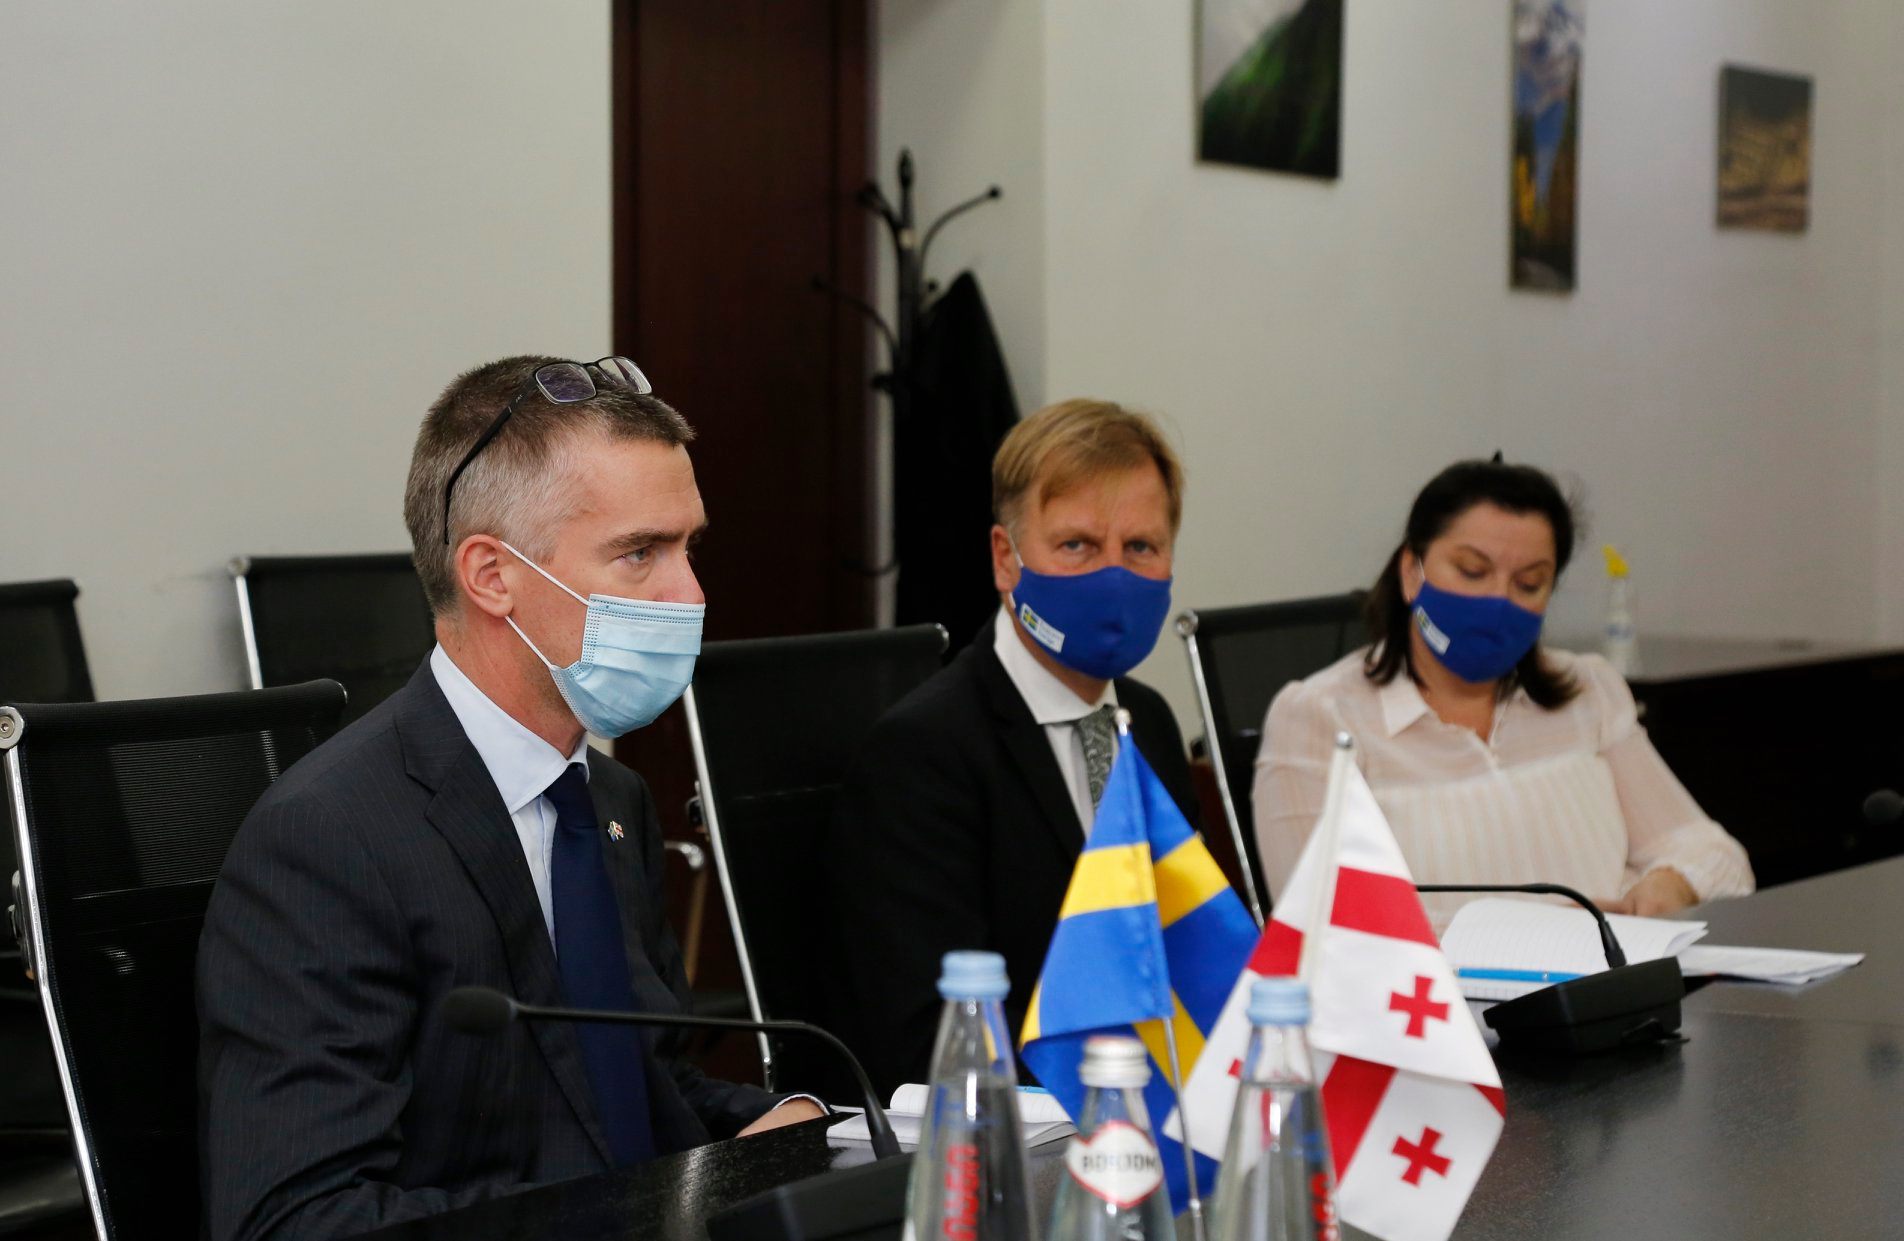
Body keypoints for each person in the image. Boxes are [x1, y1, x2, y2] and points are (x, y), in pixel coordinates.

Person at [197, 356, 822, 1241]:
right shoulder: (327, 838)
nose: (690, 594)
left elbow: (638, 1086)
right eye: (641, 552)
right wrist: (637, 1215)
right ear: (492, 575)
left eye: (690, 549)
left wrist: (787, 1125)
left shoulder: (611, 799)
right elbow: (297, 1217)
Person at [828, 399, 1202, 1097]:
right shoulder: (922, 754)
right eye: (1077, 545)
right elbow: (933, 1043)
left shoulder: (1147, 721)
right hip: (1022, 1131)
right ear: (1006, 558)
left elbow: (1186, 951)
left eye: (1141, 548)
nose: (1114, 576)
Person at [1253, 458, 1753, 931]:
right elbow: (1321, 924)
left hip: (1616, 983)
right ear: (1411, 572)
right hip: (1440, 993)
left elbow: (1717, 856)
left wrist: (1671, 884)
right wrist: (1533, 935)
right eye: (1472, 571)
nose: (1498, 600)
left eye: (1529, 583)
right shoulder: (1321, 717)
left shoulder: (1589, 689)